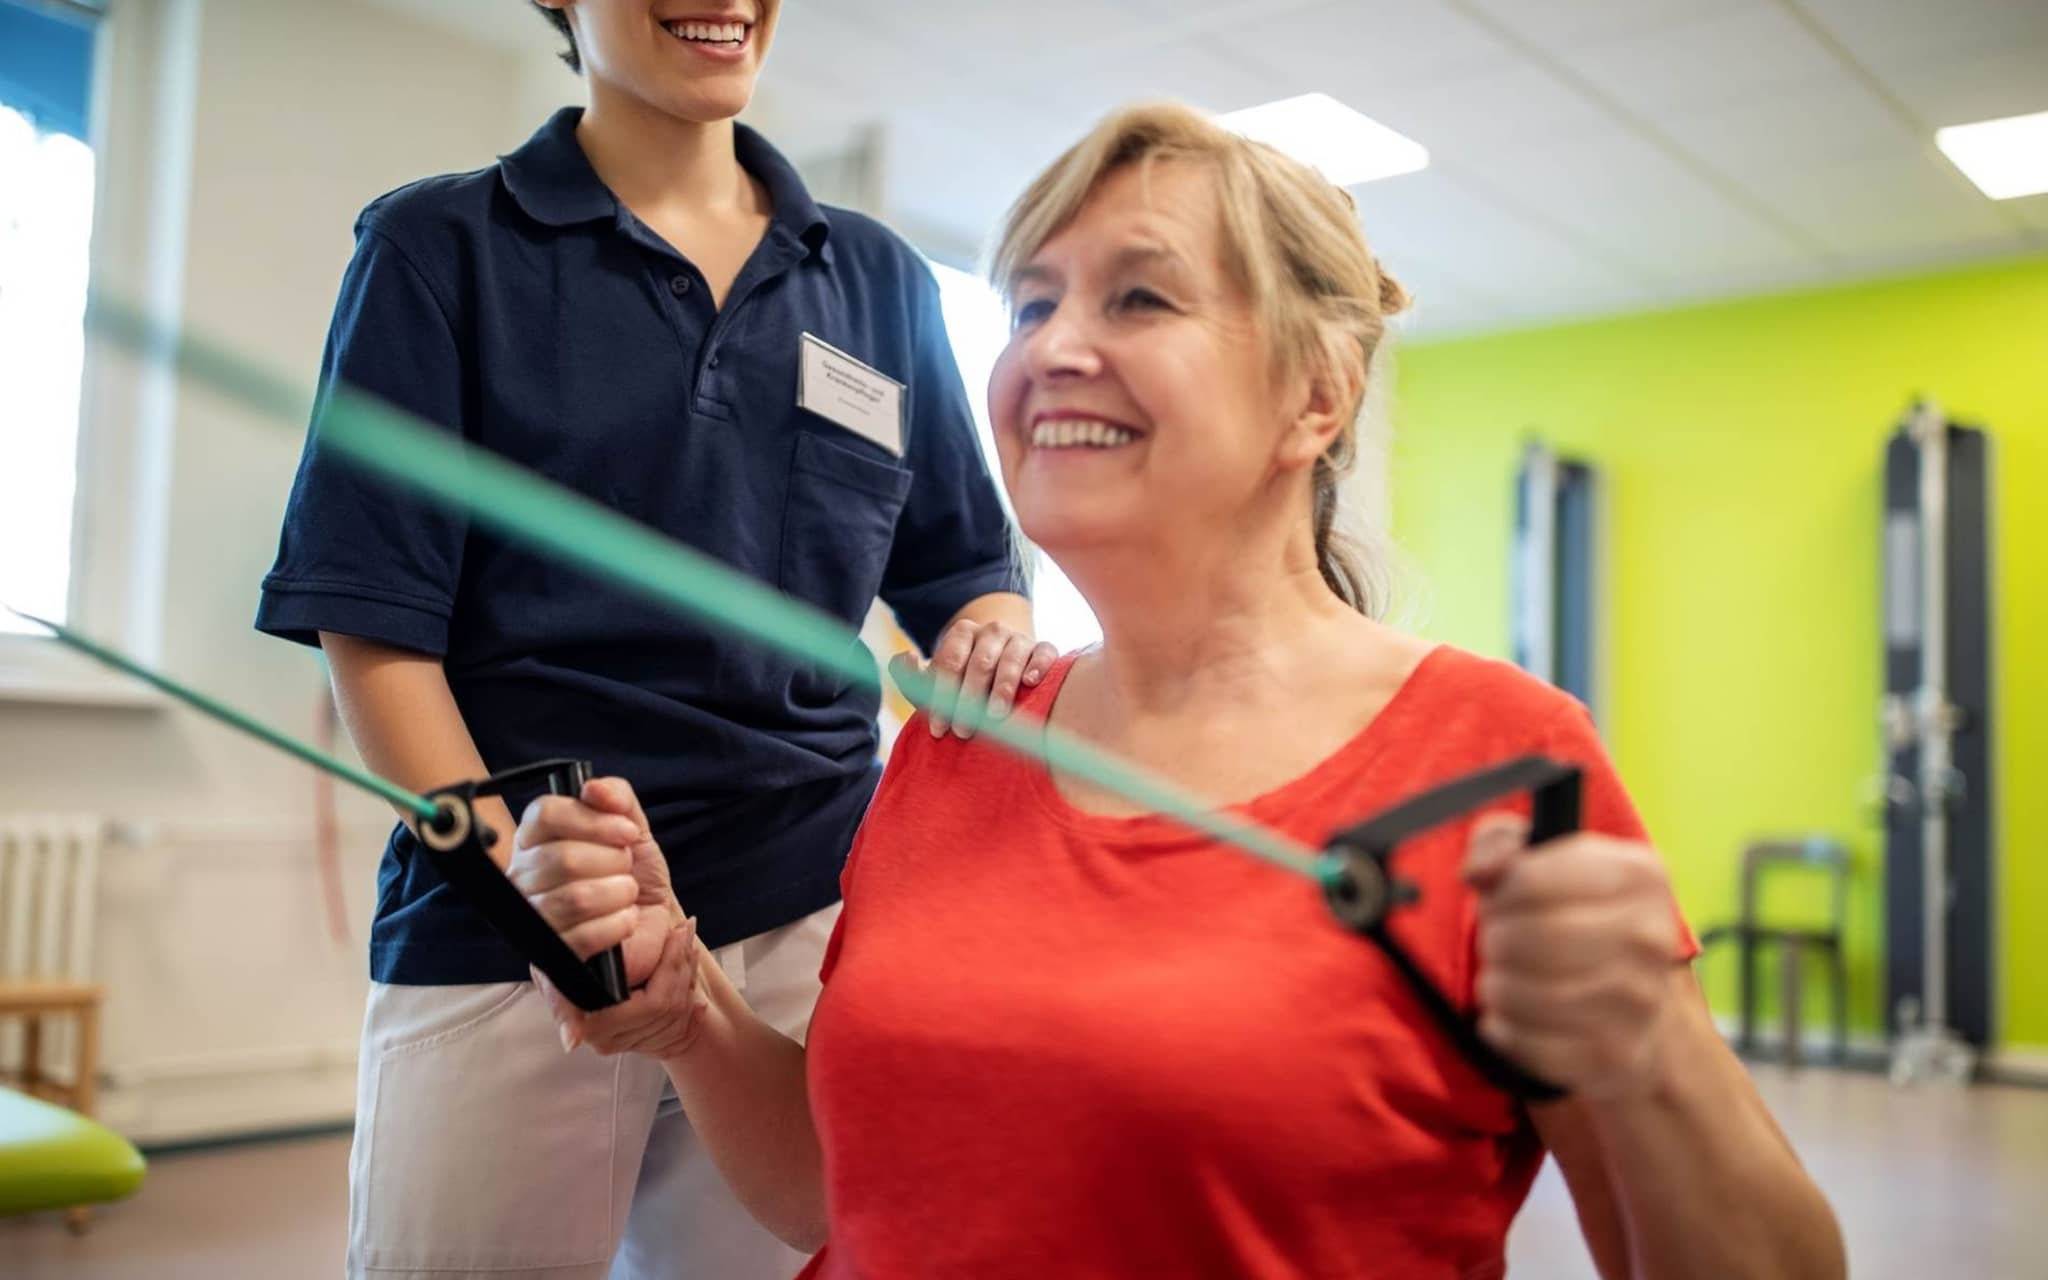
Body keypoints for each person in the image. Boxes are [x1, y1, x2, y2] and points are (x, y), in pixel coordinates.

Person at [510, 101, 1847, 1279]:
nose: (1053, 348)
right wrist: (691, 1007)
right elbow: (837, 1189)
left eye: (1139, 299)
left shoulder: (1495, 759)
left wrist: (1653, 1056)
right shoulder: (956, 742)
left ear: (1316, 394)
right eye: (1031, 305)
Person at [254, 3, 1050, 1276]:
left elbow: (967, 577)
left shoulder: (879, 280)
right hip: (516, 924)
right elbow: (375, 630)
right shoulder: (438, 248)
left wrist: (995, 630)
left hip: (803, 912)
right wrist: (535, 894)